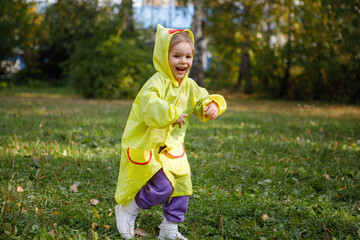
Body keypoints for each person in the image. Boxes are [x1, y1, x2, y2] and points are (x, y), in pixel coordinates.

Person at [114, 24, 227, 240]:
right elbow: (149, 106)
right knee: (164, 187)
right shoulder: (156, 82)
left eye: (188, 56)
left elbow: (202, 98)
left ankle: (170, 227)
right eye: (176, 56)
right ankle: (129, 207)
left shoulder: (189, 86)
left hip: (173, 148)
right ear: (164, 56)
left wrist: (211, 104)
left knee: (182, 187)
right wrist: (171, 113)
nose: (183, 61)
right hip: (146, 145)